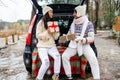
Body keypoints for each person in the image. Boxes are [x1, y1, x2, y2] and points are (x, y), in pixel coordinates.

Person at [62, 5, 100, 80]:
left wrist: (83, 39)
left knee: (93, 59)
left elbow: (91, 38)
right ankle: (69, 76)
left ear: (80, 13)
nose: (73, 14)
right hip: (73, 45)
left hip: (84, 45)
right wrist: (66, 37)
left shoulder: (89, 24)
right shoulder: (73, 23)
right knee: (64, 56)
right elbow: (69, 34)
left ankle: (97, 78)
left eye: (75, 12)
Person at [36, 5, 61, 80]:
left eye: (52, 12)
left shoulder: (52, 23)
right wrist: (47, 32)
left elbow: (56, 37)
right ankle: (39, 78)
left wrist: (56, 32)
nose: (52, 13)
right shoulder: (40, 23)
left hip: (51, 45)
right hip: (42, 46)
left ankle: (56, 75)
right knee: (46, 62)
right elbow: (38, 35)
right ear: (47, 13)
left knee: (57, 57)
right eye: (51, 12)